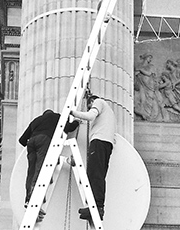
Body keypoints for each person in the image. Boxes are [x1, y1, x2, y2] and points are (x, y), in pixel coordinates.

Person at [19, 109, 79, 206]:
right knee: (40, 167)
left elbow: (22, 140)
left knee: (31, 171)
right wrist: (76, 122)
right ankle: (34, 195)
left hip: (31, 143)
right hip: (44, 140)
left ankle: (28, 197)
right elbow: (68, 128)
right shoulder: (56, 117)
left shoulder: (36, 120)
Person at [71, 92, 116, 221]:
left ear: (92, 102)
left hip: (99, 142)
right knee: (98, 176)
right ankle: (97, 207)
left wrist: (73, 113)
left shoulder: (99, 102)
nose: (90, 108)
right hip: (106, 145)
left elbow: (90, 116)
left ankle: (95, 207)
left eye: (89, 105)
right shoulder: (110, 115)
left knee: (93, 174)